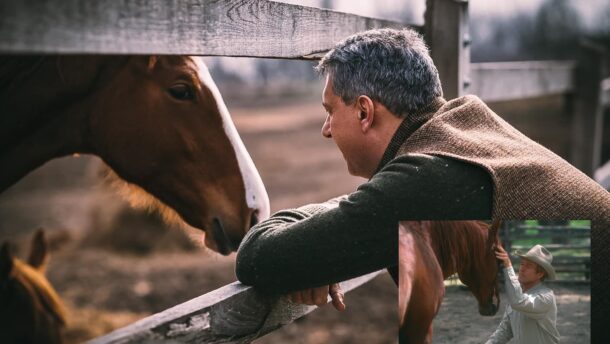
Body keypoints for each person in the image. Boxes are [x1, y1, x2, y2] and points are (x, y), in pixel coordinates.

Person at [235, 28, 610, 309]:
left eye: (330, 111)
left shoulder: (428, 177)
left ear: (365, 112)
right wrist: (333, 228)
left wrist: (318, 228)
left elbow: (258, 257)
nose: (326, 129)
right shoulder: (465, 132)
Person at [487, 244, 560, 344]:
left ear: (540, 274)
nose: (522, 268)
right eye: (522, 264)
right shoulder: (516, 294)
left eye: (528, 266)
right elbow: (504, 331)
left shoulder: (546, 297)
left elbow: (519, 301)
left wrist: (508, 266)